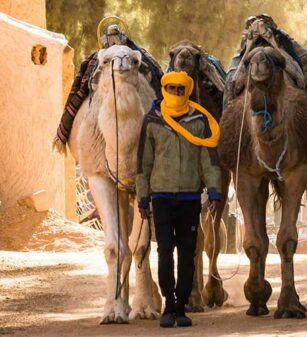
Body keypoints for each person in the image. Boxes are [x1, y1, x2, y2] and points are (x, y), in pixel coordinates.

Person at [136, 71, 222, 328]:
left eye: (179, 89)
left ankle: (181, 306)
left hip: (189, 197)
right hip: (161, 197)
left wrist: (215, 191)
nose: (175, 92)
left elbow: (209, 159)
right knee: (164, 252)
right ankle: (169, 306)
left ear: (186, 91)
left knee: (187, 254)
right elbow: (144, 163)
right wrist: (143, 198)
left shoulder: (199, 121)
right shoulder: (152, 120)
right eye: (170, 88)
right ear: (164, 89)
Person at [54, 23, 163, 152]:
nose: (113, 40)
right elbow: (92, 83)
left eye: (115, 36)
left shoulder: (136, 54)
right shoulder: (98, 58)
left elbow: (151, 73)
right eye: (111, 36)